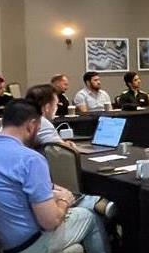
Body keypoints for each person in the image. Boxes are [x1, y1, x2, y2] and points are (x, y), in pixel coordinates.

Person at [0, 100, 114, 253]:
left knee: (56, 197)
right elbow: (50, 223)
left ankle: (91, 203)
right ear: (32, 125)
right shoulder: (30, 159)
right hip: (23, 247)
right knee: (88, 218)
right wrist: (64, 202)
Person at [25, 85, 116, 218]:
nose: (57, 108)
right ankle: (97, 205)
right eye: (56, 104)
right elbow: (62, 153)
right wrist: (67, 146)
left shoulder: (22, 118)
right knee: (89, 207)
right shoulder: (41, 122)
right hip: (46, 187)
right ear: (46, 107)